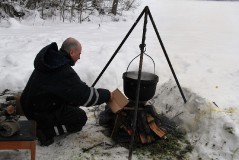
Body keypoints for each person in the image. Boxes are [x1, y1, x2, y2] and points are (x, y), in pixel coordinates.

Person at [20, 37, 112, 146]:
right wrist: (107, 95)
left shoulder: (51, 60)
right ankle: (45, 132)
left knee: (72, 101)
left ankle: (45, 124)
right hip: (39, 113)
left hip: (30, 105)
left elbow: (72, 90)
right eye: (79, 54)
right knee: (80, 118)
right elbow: (84, 96)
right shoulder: (61, 70)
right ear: (72, 52)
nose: (79, 57)